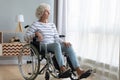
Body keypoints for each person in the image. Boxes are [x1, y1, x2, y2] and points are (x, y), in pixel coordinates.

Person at [24, 3, 92, 79]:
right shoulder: (35, 24)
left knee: (69, 46)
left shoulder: (52, 25)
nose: (49, 13)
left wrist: (64, 42)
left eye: (49, 11)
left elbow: (56, 37)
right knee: (56, 45)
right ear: (41, 13)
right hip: (43, 45)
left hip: (54, 45)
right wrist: (35, 34)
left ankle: (79, 70)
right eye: (47, 11)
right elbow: (25, 37)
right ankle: (62, 68)